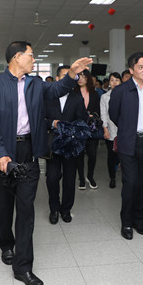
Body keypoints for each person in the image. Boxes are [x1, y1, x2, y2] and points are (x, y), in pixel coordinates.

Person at [0, 41, 91, 285]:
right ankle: (6, 244)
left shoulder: (36, 84)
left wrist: (73, 73)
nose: (33, 59)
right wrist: (0, 155)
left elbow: (58, 88)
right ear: (17, 57)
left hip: (28, 152)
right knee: (3, 207)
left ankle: (23, 267)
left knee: (26, 211)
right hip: (3, 152)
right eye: (31, 55)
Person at [109, 52, 143, 240]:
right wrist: (128, 129)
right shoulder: (120, 91)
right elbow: (114, 115)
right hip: (128, 142)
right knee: (130, 182)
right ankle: (126, 221)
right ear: (131, 70)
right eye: (141, 67)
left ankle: (139, 219)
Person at [44, 65, 87, 224]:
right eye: (64, 75)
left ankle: (66, 209)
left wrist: (73, 129)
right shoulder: (48, 97)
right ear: (57, 79)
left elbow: (83, 119)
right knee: (52, 177)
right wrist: (52, 123)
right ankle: (54, 208)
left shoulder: (77, 98)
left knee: (70, 179)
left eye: (72, 76)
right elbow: (40, 119)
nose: (69, 78)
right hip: (53, 144)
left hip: (71, 144)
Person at [75, 69, 101, 190]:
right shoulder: (73, 93)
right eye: (78, 76)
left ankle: (90, 176)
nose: (80, 79)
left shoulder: (94, 93)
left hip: (91, 129)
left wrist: (92, 115)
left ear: (88, 78)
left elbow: (98, 110)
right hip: (78, 129)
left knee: (92, 154)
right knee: (79, 155)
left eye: (83, 76)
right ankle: (81, 178)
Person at [100, 72, 122, 188]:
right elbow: (103, 114)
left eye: (117, 80)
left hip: (124, 131)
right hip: (111, 130)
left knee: (123, 155)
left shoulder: (126, 95)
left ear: (121, 82)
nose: (114, 82)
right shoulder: (105, 97)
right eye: (112, 80)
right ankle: (112, 177)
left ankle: (124, 175)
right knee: (111, 155)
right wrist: (105, 129)